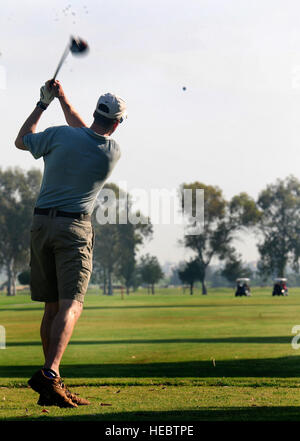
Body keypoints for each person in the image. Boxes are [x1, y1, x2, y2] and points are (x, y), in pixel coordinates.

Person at [15, 80, 127, 408]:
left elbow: (22, 140)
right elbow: (87, 132)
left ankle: (53, 380)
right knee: (72, 304)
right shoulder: (112, 151)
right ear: (118, 123)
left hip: (40, 224)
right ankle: (50, 373)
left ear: (95, 112)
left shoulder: (60, 135)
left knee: (51, 306)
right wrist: (64, 101)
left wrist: (44, 102)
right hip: (73, 228)